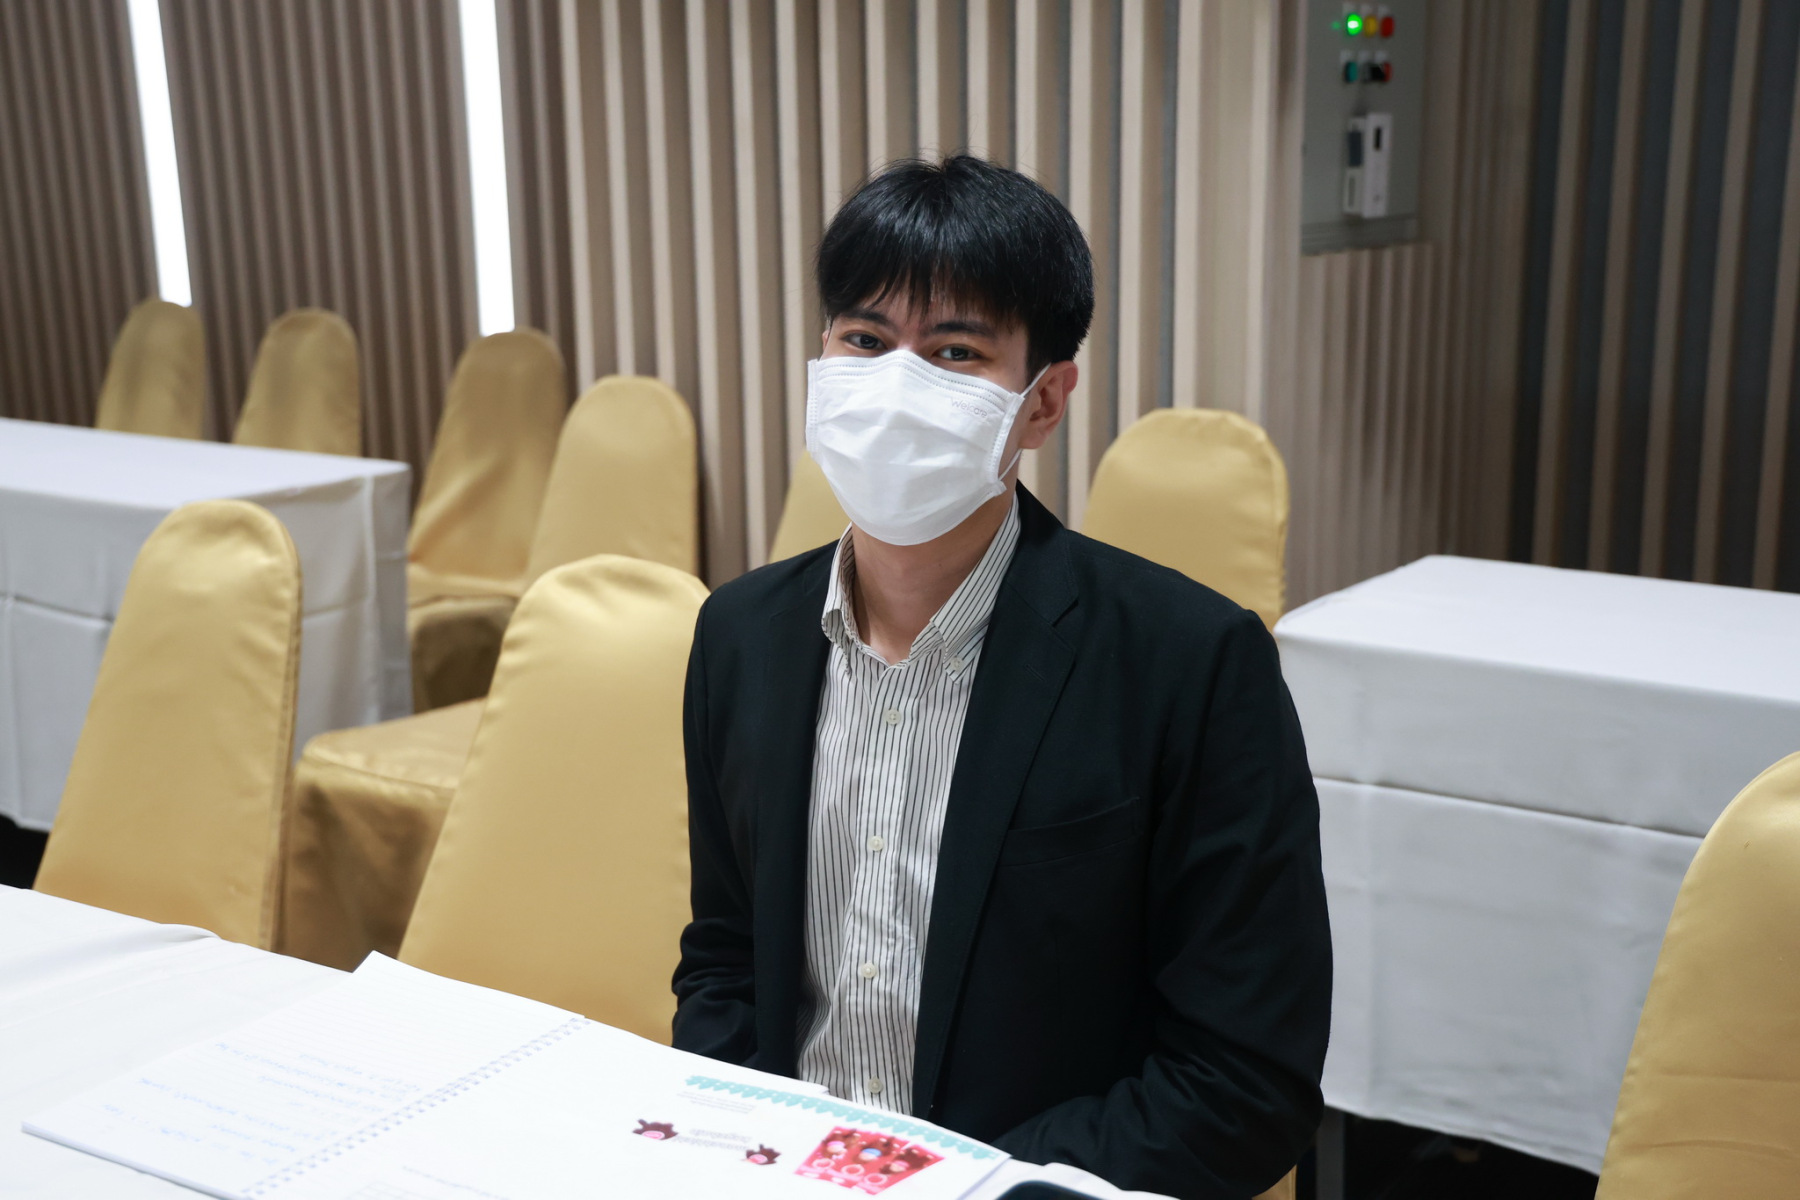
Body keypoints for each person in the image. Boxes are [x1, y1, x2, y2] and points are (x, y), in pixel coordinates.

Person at [672, 154, 1331, 1200]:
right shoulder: (740, 636)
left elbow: (1244, 1084)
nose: (897, 384)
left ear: (1044, 400)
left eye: (954, 352)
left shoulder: (1191, 664)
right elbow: (724, 957)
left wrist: (969, 1186)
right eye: (863, 340)